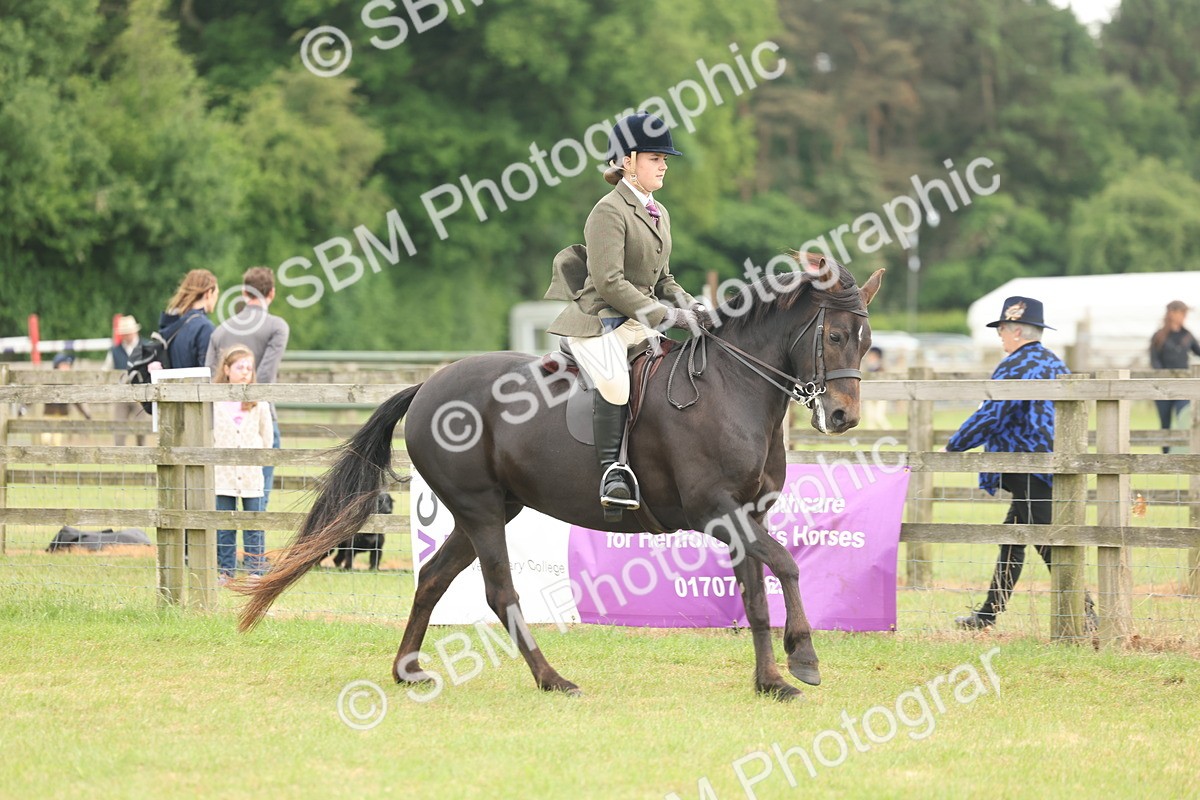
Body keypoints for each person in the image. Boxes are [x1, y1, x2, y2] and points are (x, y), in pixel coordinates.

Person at [544, 111, 706, 518]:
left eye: (664, 159)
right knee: (617, 385)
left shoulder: (658, 211)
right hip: (599, 322)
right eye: (655, 158)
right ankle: (612, 473)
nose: (664, 165)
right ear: (628, 161)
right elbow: (610, 282)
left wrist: (692, 306)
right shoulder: (608, 211)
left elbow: (664, 278)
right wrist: (666, 316)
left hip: (636, 324)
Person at [947, 297, 1092, 630]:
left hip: (1025, 464)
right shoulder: (1054, 362)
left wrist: (955, 445)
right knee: (1014, 537)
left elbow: (992, 413)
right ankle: (988, 614)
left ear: (1016, 330)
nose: (999, 335)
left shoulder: (1015, 365)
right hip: (1051, 462)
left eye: (1001, 329)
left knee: (1047, 541)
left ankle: (1087, 615)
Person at [205, 267, 290, 509]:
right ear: (271, 293)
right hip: (259, 417)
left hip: (223, 420)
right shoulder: (277, 327)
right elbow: (264, 375)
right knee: (258, 498)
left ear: (244, 292)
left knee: (223, 496)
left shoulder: (220, 331)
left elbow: (210, 375)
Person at [213, 345, 273, 582]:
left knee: (254, 523)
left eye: (249, 368)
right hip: (223, 474)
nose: (245, 372)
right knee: (225, 524)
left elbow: (267, 438)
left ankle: (255, 570)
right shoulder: (215, 403)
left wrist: (257, 459)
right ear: (227, 369)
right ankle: (226, 571)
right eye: (240, 367)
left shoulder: (259, 404)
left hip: (251, 474)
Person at [1149, 300, 1200, 452]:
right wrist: (1164, 378)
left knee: (1183, 417)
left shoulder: (1187, 335)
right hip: (1162, 387)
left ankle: (1183, 453)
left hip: (1182, 386)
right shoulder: (1159, 336)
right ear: (1172, 313)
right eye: (1181, 313)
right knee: (1165, 423)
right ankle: (1166, 455)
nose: (1183, 317)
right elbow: (1154, 360)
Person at [158, 269, 218, 370]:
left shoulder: (171, 323)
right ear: (208, 293)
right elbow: (208, 371)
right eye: (216, 294)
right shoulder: (204, 328)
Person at [102, 315, 147, 445]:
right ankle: (119, 454)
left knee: (141, 428)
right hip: (121, 394)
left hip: (141, 393)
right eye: (124, 333)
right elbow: (105, 370)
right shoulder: (115, 351)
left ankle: (142, 452)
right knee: (119, 427)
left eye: (128, 332)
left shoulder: (146, 347)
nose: (126, 336)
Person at [42, 352, 92, 446]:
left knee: (57, 440)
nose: (67, 368)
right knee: (46, 439)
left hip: (62, 414)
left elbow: (76, 400)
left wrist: (85, 413)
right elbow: (38, 393)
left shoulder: (69, 383)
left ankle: (54, 455)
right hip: (49, 413)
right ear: (57, 366)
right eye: (64, 365)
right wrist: (24, 408)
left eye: (68, 366)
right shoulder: (49, 380)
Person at [860, 346, 890, 430]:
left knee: (878, 416)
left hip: (880, 395)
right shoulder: (868, 368)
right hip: (869, 395)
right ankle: (872, 436)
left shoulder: (881, 368)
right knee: (870, 419)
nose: (870, 357)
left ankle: (889, 432)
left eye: (872, 355)